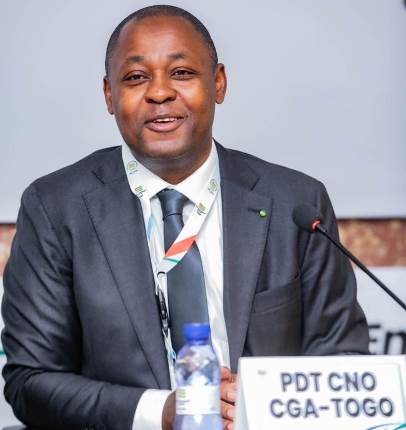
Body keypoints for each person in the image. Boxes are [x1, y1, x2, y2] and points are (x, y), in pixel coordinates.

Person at [1, 5, 369, 430]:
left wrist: (260, 404)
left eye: (181, 73)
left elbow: (343, 358)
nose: (159, 93)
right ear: (108, 95)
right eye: (135, 77)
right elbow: (32, 381)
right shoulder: (56, 208)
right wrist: (161, 411)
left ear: (218, 83)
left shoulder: (295, 203)